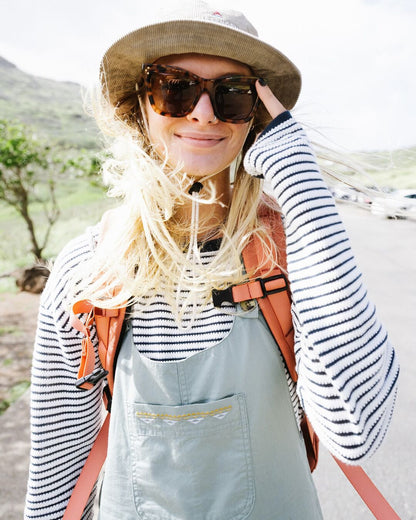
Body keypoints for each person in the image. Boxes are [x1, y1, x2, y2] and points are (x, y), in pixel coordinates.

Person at [25, 2, 399, 519]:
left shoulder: (299, 250)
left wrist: (301, 187)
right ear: (140, 106)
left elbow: (358, 431)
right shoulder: (88, 269)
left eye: (231, 94)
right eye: (175, 88)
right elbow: (55, 470)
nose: (203, 113)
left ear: (256, 118)